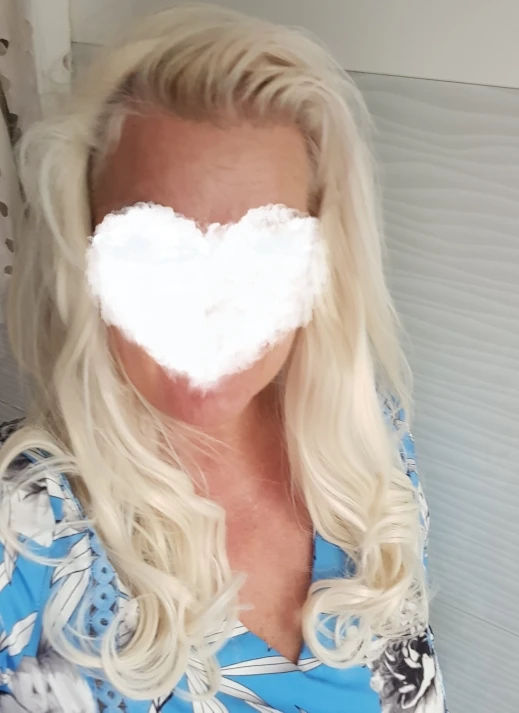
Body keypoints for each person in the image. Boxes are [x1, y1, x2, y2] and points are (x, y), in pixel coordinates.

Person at [0, 4, 448, 712]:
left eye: (261, 258)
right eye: (154, 257)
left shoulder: (370, 447)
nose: (208, 316)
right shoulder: (21, 533)